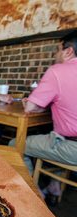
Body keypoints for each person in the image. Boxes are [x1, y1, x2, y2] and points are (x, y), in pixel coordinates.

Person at [10, 31, 77, 200]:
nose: (55, 54)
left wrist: (30, 103)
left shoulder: (58, 71)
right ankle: (55, 187)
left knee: (14, 144)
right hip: (70, 142)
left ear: (68, 51)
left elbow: (31, 107)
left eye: (57, 49)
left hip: (72, 148)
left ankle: (35, 196)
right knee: (56, 135)